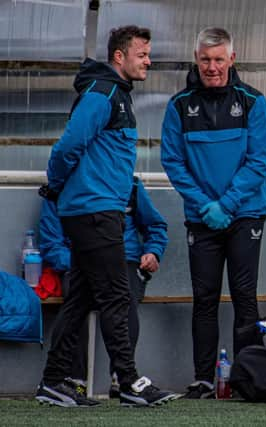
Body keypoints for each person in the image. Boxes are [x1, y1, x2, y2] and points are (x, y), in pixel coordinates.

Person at [36, 25, 176, 407]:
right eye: (142, 54)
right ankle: (129, 382)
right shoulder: (103, 94)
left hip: (98, 211)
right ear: (120, 56)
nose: (149, 61)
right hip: (94, 212)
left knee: (80, 300)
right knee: (117, 296)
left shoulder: (117, 95)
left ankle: (52, 381)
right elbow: (67, 146)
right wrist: (56, 185)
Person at [161, 27, 266, 399]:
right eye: (205, 59)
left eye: (219, 59)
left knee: (245, 296)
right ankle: (204, 379)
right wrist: (204, 206)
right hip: (202, 217)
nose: (212, 67)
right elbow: (173, 162)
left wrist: (225, 205)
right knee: (204, 297)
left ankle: (244, 380)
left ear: (232, 59)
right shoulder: (178, 105)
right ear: (196, 59)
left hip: (244, 214)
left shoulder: (253, 102)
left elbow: (261, 160)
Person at [41, 177, 168, 398]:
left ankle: (121, 377)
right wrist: (77, 262)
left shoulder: (131, 185)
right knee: (76, 300)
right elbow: (51, 243)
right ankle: (74, 380)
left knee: (123, 296)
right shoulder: (60, 189)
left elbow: (155, 225)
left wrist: (153, 251)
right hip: (78, 261)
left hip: (124, 260)